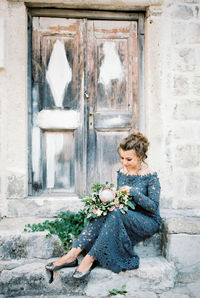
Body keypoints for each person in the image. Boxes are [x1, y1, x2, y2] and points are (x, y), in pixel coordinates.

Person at [45, 132, 162, 279]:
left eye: (129, 159)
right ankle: (72, 254)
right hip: (125, 216)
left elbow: (153, 206)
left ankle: (90, 257)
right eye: (122, 158)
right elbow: (123, 201)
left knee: (115, 212)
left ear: (140, 157)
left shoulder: (150, 176)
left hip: (147, 220)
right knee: (106, 212)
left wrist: (133, 192)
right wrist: (110, 199)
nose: (124, 162)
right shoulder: (122, 172)